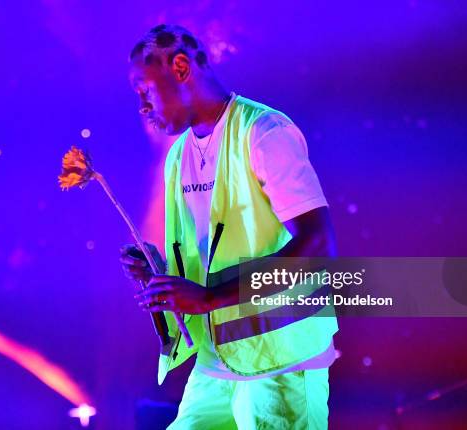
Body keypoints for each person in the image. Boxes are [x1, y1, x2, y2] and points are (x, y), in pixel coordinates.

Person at [121, 24, 338, 430]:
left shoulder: (264, 132)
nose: (142, 105)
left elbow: (318, 246)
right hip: (218, 360)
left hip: (280, 361)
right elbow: (210, 258)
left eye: (144, 89)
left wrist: (208, 298)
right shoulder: (178, 156)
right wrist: (159, 269)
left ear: (181, 68)